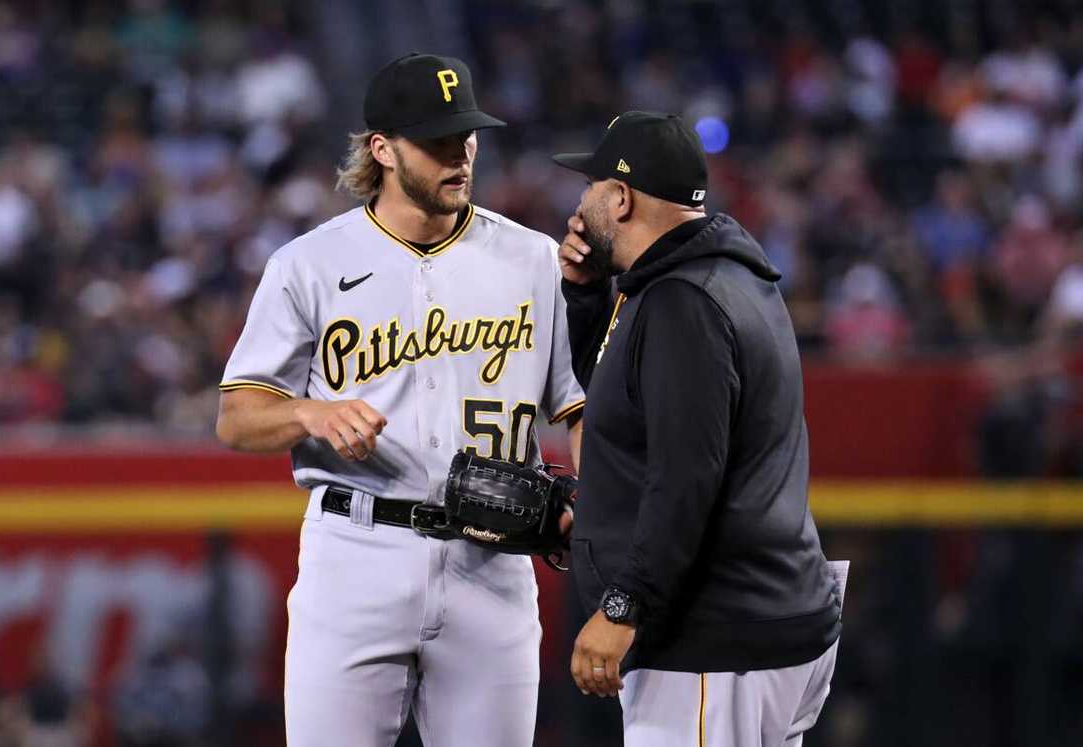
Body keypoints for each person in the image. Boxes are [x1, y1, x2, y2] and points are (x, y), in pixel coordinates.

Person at [215, 53, 584, 747]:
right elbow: (236, 416)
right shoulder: (309, 264)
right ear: (381, 148)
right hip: (357, 550)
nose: (459, 154)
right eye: (436, 141)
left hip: (493, 564)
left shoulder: (534, 261)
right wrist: (309, 411)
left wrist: (597, 517)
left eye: (466, 136)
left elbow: (579, 408)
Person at [553, 111, 847, 746]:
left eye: (591, 186)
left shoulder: (683, 303)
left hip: (716, 640)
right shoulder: (711, 276)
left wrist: (625, 604)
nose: (579, 204)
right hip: (756, 623)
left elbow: (686, 478)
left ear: (622, 198)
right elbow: (625, 401)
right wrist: (584, 300)